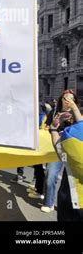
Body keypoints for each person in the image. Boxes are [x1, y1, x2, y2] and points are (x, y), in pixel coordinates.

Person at [48, 89, 83, 221]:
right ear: (61, 100)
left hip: (72, 156)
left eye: (71, 99)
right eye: (65, 98)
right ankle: (49, 202)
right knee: (51, 176)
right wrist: (53, 127)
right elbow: (50, 131)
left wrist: (75, 113)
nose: (68, 101)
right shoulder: (54, 113)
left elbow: (80, 131)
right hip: (63, 155)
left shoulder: (79, 117)